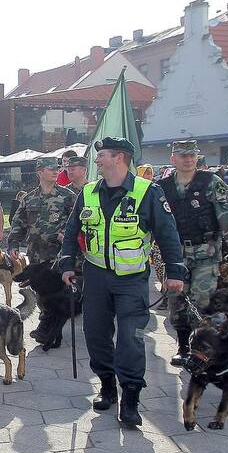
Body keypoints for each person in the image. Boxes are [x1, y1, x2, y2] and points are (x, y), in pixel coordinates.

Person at [58, 137, 186, 427]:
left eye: (101, 155)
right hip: (96, 277)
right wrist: (66, 264)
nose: (97, 160)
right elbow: (71, 233)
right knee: (96, 334)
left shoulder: (147, 192)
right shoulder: (88, 192)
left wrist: (175, 273)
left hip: (131, 280)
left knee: (131, 338)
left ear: (119, 158)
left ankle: (130, 398)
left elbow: (168, 234)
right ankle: (106, 385)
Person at [159, 140, 228, 366]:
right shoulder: (162, 187)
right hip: (175, 256)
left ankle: (198, 349)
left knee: (200, 303)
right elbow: (152, 220)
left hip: (206, 254)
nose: (188, 159)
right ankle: (182, 347)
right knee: (177, 303)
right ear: (173, 159)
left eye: (192, 155)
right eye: (183, 155)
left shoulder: (211, 182)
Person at [8, 154, 75, 342]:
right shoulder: (29, 199)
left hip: (59, 255)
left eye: (57, 168)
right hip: (37, 255)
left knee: (58, 293)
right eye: (51, 169)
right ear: (40, 172)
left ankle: (49, 328)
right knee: (42, 293)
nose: (56, 171)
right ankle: (47, 324)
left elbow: (76, 222)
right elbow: (18, 224)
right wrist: (13, 244)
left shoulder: (67, 196)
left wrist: (65, 234)